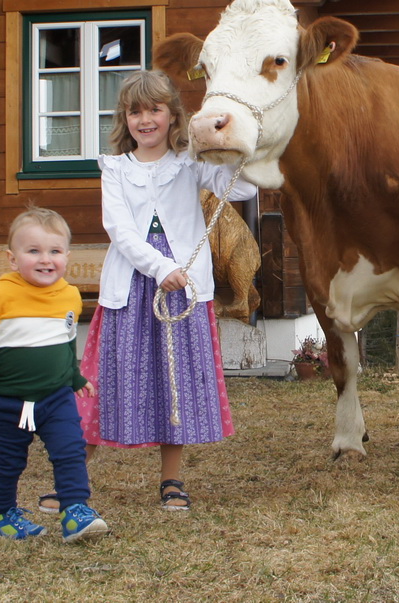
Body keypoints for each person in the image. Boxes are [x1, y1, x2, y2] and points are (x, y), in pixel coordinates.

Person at [59, 69, 257, 513]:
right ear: (124, 119)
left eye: (155, 110)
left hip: (184, 291)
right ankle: (72, 479)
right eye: (135, 111)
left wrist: (229, 143)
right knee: (105, 381)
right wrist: (160, 266)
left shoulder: (190, 164)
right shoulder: (115, 168)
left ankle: (171, 479)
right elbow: (120, 230)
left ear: (173, 117)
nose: (145, 120)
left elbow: (243, 185)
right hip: (130, 287)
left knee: (175, 383)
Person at [0, 207, 109, 542]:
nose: (46, 260)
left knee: (71, 449)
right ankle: (2, 516)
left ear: (67, 256)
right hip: (7, 401)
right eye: (34, 251)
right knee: (8, 462)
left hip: (55, 397)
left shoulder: (69, 296)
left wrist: (74, 378)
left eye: (54, 251)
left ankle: (75, 511)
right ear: (13, 259)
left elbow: (65, 343)